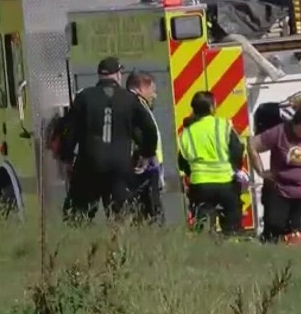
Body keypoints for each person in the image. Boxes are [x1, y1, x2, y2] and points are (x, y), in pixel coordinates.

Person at [60, 57, 159, 223]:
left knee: (77, 217)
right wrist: (146, 154)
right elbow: (149, 129)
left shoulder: (84, 97)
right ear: (118, 75)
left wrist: (67, 158)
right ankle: (118, 247)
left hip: (89, 165)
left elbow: (70, 130)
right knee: (121, 217)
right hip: (119, 167)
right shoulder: (130, 99)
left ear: (99, 75)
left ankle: (78, 245)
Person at [247, 104, 301, 242]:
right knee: (275, 227)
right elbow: (253, 145)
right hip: (281, 191)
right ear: (295, 125)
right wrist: (261, 172)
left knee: (299, 229)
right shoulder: (280, 132)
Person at [176, 91, 244, 234]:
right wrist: (234, 168)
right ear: (212, 107)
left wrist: (193, 173)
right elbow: (237, 150)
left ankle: (206, 251)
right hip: (226, 183)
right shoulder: (223, 125)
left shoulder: (187, 133)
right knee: (232, 227)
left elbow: (182, 162)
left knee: (203, 228)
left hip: (201, 186)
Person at [125, 71, 163, 225]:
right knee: (150, 214)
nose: (154, 95)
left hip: (147, 166)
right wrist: (145, 156)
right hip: (144, 168)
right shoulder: (136, 105)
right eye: (152, 90)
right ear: (142, 88)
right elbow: (141, 132)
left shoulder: (138, 104)